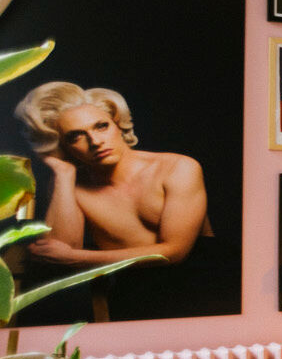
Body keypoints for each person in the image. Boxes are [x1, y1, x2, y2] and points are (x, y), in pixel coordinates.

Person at [12, 82, 212, 272]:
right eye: (76, 136)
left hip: (205, 278)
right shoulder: (71, 184)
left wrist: (78, 258)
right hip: (132, 289)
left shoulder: (178, 168)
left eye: (101, 126)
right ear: (62, 146)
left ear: (117, 123)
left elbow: (175, 253)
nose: (95, 141)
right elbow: (57, 253)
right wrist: (64, 173)